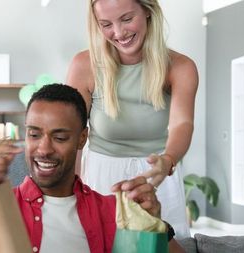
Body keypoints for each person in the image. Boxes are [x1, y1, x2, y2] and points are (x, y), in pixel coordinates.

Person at [0, 84, 185, 253]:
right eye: (34, 134)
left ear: (82, 139)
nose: (43, 149)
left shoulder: (111, 210)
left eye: (60, 138)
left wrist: (156, 225)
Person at [66, 0, 199, 238]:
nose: (118, 33)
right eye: (106, 24)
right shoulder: (84, 65)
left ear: (148, 12)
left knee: (161, 246)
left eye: (127, 19)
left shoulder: (181, 67)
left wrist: (167, 161)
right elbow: (74, 135)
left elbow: (182, 123)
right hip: (101, 175)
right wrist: (70, 191)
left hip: (156, 175)